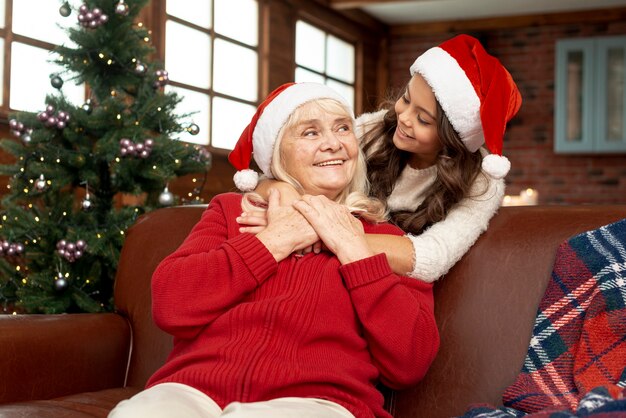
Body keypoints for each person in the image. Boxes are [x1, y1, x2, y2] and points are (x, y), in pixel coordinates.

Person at [108, 82, 439, 418]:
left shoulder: (384, 238)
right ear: (278, 153)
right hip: (192, 392)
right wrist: (276, 240)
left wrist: (355, 251)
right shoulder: (232, 211)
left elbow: (410, 361)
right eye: (310, 133)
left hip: (317, 403)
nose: (333, 144)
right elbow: (170, 303)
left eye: (343, 128)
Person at [241, 34, 522, 283]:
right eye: (406, 99)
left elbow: (432, 258)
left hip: (390, 285)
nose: (403, 117)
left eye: (423, 119)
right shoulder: (373, 129)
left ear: (454, 137)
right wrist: (285, 198)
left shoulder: (482, 181)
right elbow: (282, 172)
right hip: (328, 272)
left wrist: (322, 234)